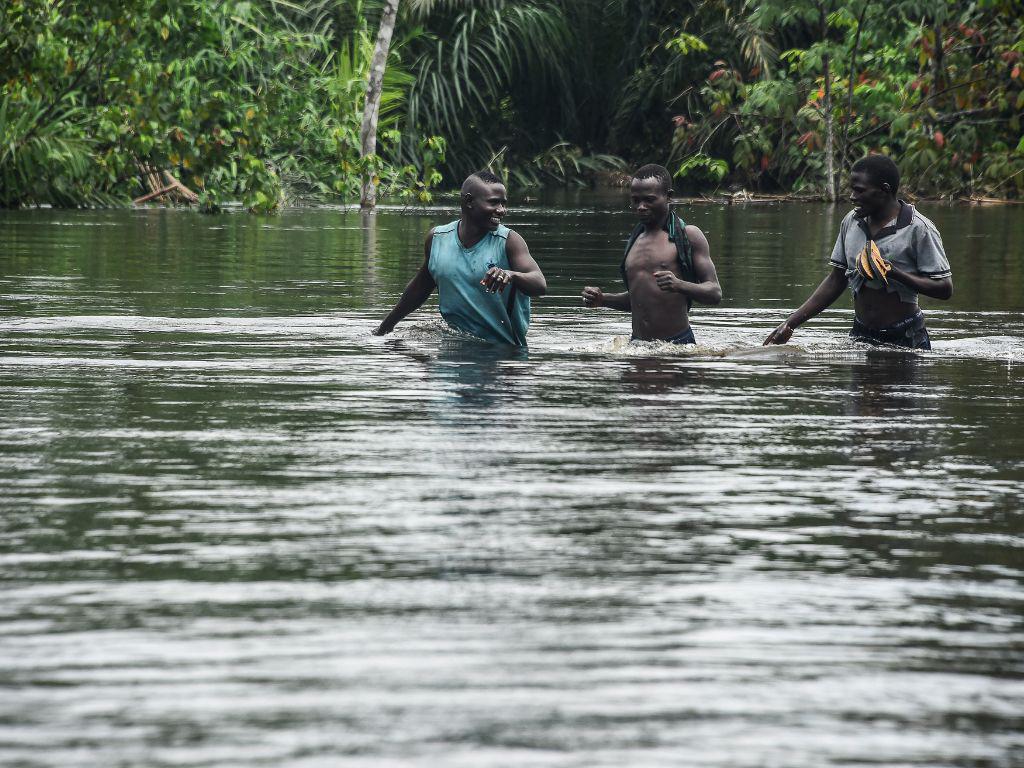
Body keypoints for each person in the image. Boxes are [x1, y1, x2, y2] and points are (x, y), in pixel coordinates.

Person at [764, 154, 953, 349]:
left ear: (884, 190)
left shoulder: (918, 229)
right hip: (861, 335)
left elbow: (945, 288)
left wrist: (895, 274)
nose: (852, 197)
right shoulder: (851, 221)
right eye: (852, 190)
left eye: (859, 191)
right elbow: (836, 279)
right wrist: (790, 323)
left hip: (905, 336)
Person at [373, 170, 546, 346]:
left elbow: (539, 284)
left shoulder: (509, 241)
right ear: (469, 201)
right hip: (453, 350)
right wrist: (383, 330)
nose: (501, 210)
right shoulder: (437, 239)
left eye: (503, 203)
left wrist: (512, 275)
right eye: (494, 203)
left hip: (503, 354)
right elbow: (419, 289)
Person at [581, 164, 721, 344]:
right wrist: (603, 300)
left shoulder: (688, 235)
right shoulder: (635, 240)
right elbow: (640, 298)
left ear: (668, 196)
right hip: (637, 344)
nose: (641, 206)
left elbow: (715, 292)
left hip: (677, 344)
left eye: (649, 200)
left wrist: (679, 285)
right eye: (635, 200)